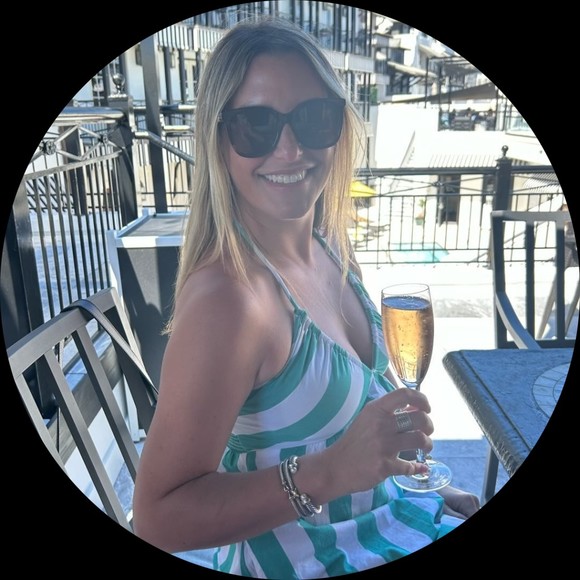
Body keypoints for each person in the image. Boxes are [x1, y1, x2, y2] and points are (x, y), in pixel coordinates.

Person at [132, 15, 479, 578]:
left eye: (314, 118)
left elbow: (355, 441)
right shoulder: (230, 301)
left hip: (387, 529)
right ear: (218, 141)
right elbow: (157, 519)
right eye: (257, 125)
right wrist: (328, 473)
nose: (290, 149)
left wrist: (425, 495)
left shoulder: (330, 247)